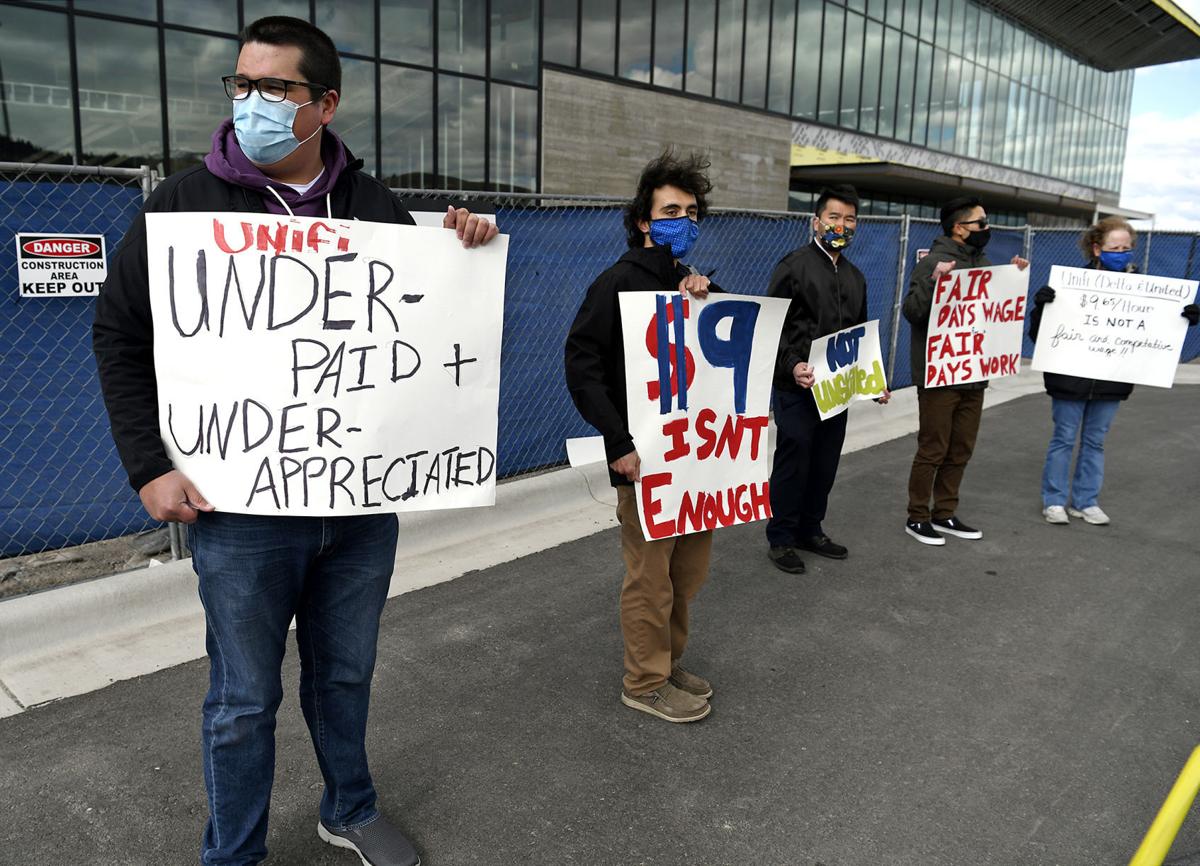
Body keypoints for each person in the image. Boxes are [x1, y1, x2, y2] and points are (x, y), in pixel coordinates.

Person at [92, 17, 497, 866]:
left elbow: (421, 335)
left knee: (344, 676)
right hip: (240, 513)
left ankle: (347, 808)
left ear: (324, 104)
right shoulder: (182, 204)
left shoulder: (378, 210)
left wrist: (465, 247)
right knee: (242, 699)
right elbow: (120, 335)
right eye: (242, 84)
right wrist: (148, 469)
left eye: (276, 89)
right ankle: (233, 853)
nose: (253, 103)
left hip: (355, 509)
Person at [563, 152, 718, 724]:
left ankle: (668, 660)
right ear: (645, 222)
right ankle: (644, 681)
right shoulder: (617, 282)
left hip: (694, 461)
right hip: (645, 460)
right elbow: (583, 364)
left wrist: (710, 296)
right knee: (651, 576)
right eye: (670, 210)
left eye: (692, 211)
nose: (684, 219)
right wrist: (617, 442)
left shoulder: (694, 285)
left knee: (687, 572)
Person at [1028, 217, 1200, 526]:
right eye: (1114, 247)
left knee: (1095, 441)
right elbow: (1038, 336)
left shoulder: (1146, 293)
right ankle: (1054, 501)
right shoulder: (1069, 286)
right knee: (1064, 438)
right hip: (1070, 378)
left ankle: (1085, 501)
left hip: (1111, 380)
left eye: (1126, 248)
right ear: (1097, 249)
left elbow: (1153, 332)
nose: (1122, 253)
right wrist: (1043, 308)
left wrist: (1182, 318)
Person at [764, 184, 888, 574]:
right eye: (834, 217)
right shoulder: (793, 267)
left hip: (837, 391)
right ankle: (781, 538)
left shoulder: (856, 276)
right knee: (794, 460)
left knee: (825, 462)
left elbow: (861, 336)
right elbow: (773, 329)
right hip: (797, 388)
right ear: (816, 221)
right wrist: (792, 366)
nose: (842, 225)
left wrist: (874, 379)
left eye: (850, 219)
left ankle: (811, 530)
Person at [901, 196, 1029, 546]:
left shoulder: (985, 264)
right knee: (933, 447)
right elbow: (912, 311)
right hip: (940, 375)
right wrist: (935, 282)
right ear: (959, 228)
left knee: (961, 448)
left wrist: (1014, 277)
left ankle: (944, 512)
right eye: (980, 223)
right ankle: (918, 516)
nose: (987, 229)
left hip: (973, 373)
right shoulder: (935, 263)